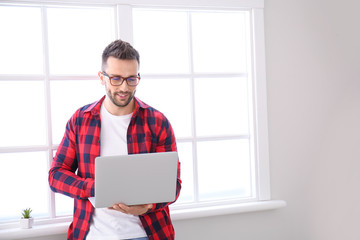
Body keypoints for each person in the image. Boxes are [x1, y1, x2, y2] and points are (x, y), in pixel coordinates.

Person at [48, 39, 181, 240]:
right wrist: (95, 188)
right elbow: (56, 175)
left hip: (146, 234)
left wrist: (148, 206)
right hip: (93, 235)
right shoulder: (80, 120)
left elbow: (173, 184)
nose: (124, 87)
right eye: (116, 79)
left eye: (131, 79)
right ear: (102, 77)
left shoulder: (158, 122)